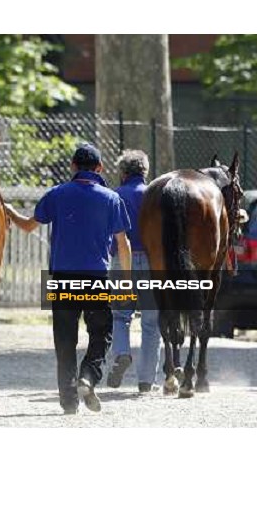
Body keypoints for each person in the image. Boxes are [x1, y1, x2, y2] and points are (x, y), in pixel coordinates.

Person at [5, 144, 131, 414]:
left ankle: (69, 402)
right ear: (100, 169)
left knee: (64, 340)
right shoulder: (111, 199)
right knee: (102, 334)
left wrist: (9, 211)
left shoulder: (56, 194)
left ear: (73, 167)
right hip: (97, 277)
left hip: (62, 277)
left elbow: (28, 226)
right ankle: (88, 375)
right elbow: (123, 243)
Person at [106, 150, 161, 393]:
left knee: (120, 316)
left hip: (122, 260)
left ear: (123, 172)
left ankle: (122, 353)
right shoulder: (156, 196)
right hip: (151, 263)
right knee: (151, 323)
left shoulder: (115, 195)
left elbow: (111, 234)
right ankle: (146, 381)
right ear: (145, 171)